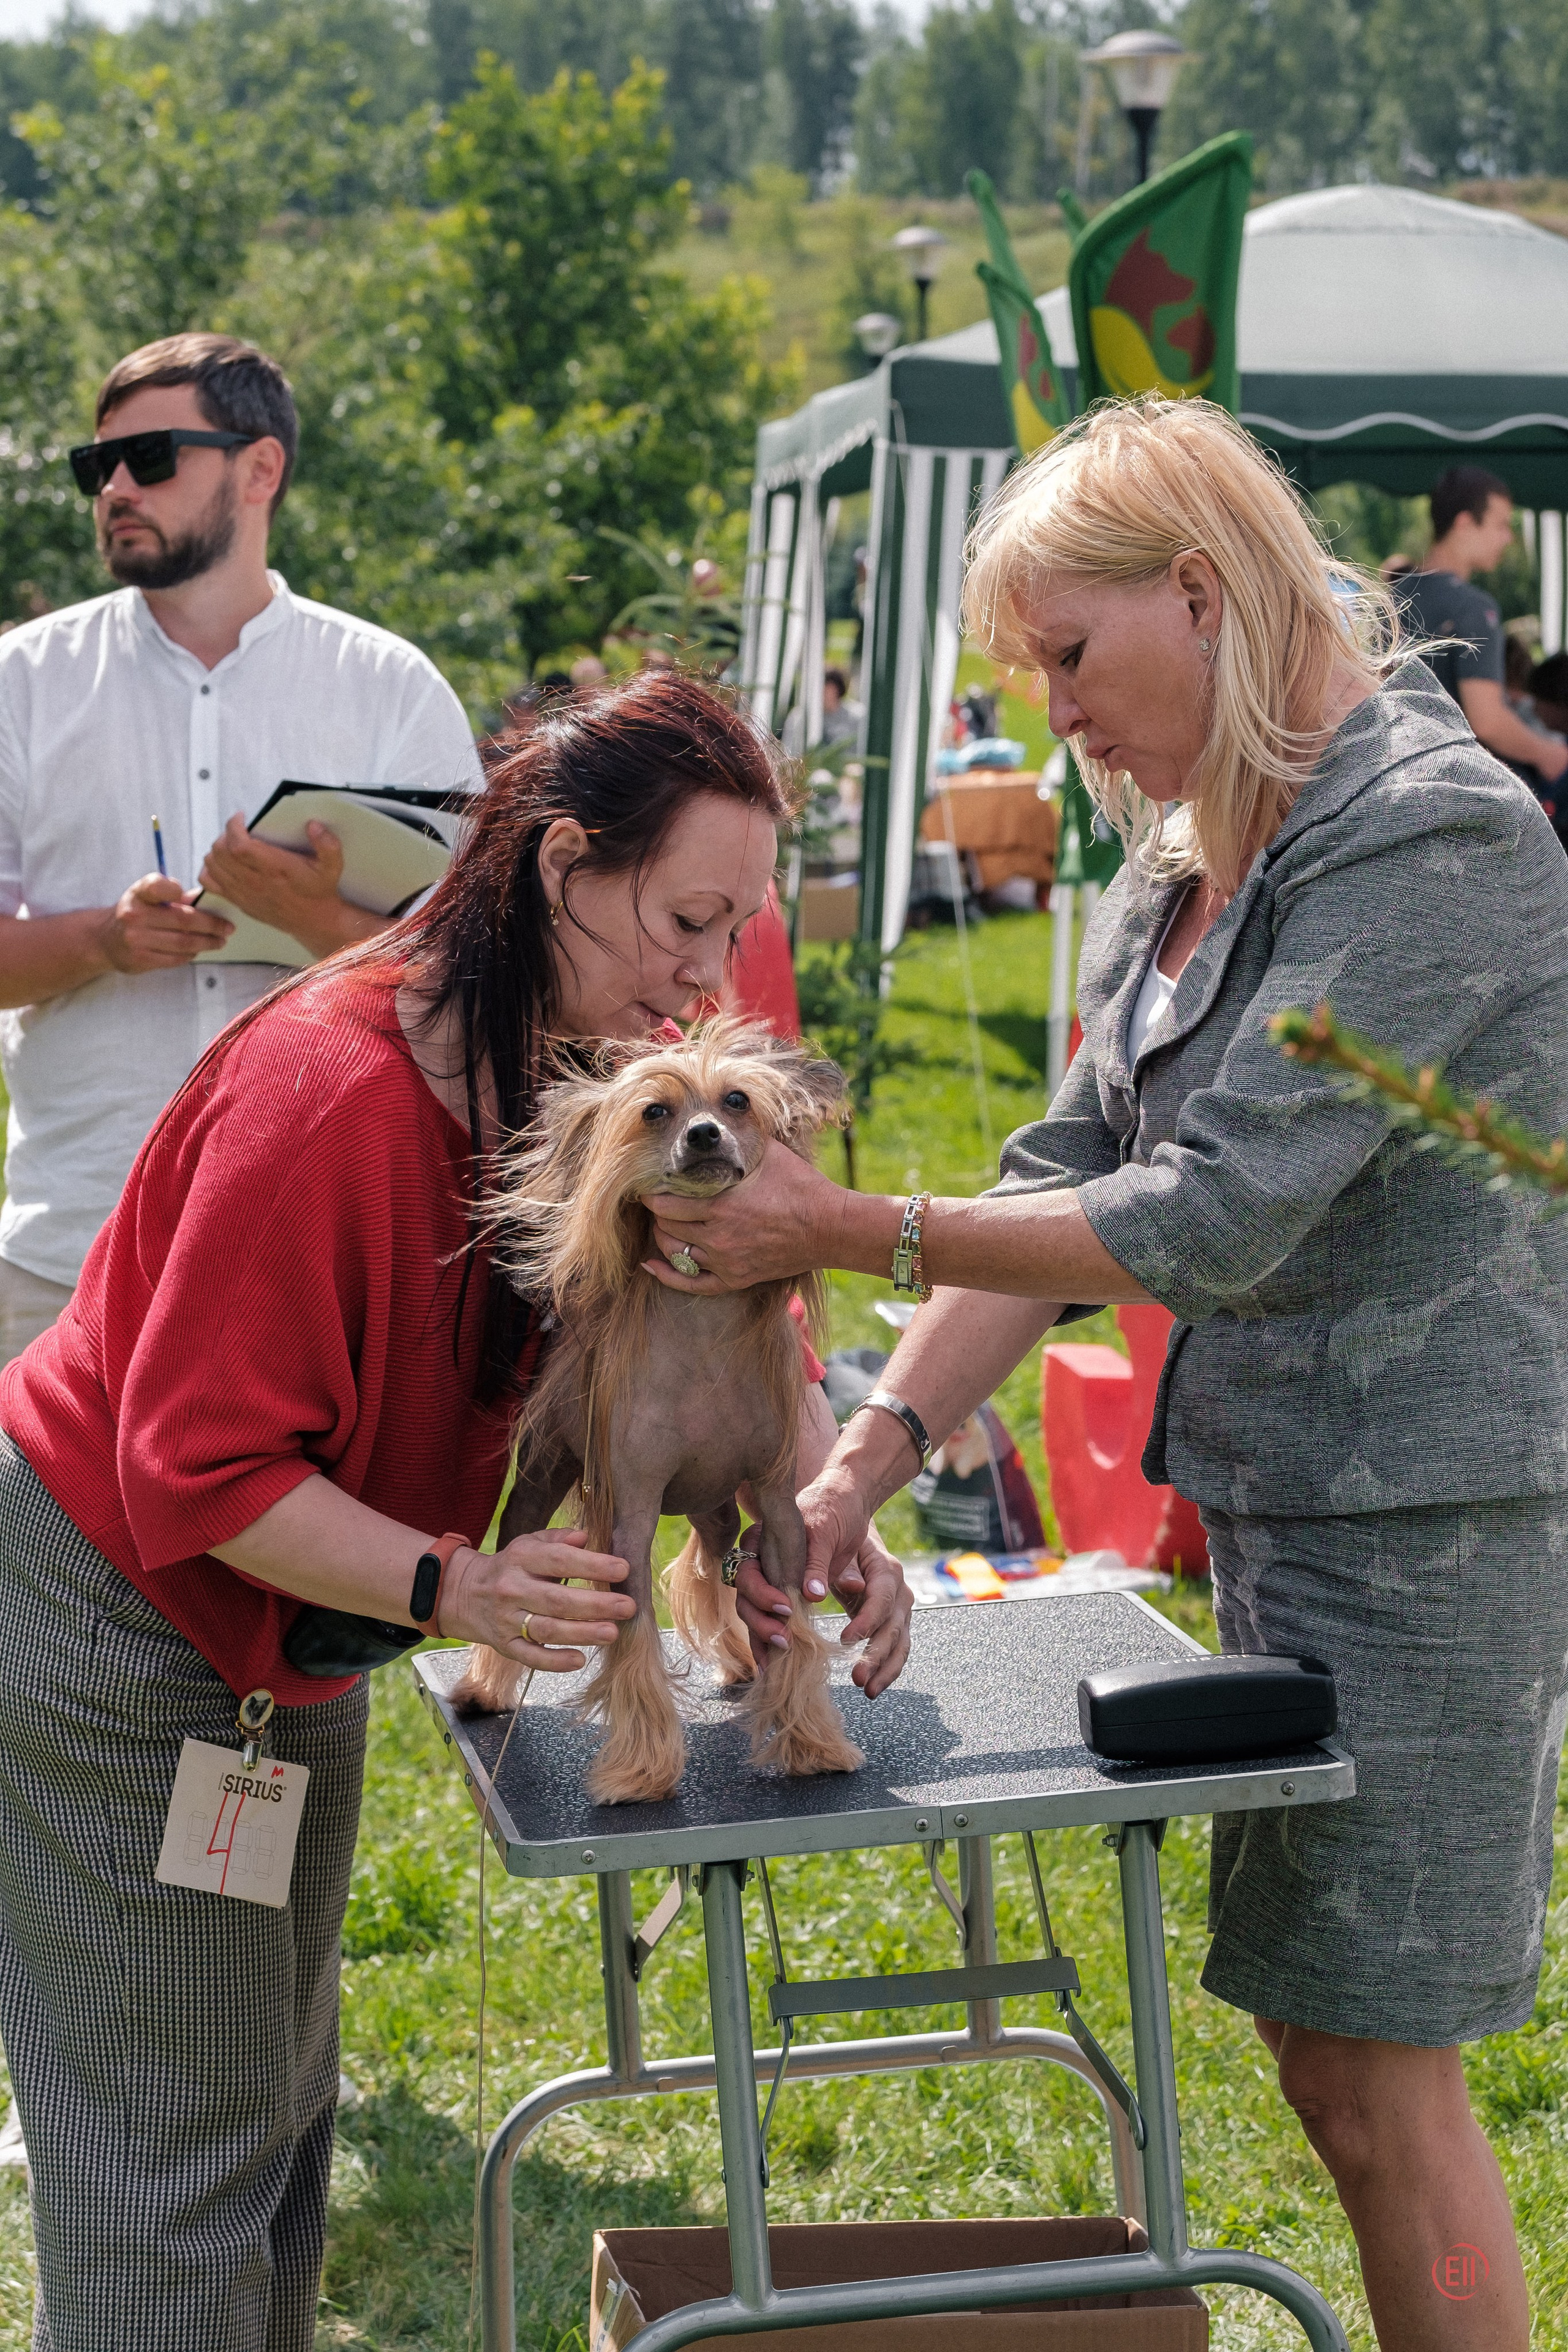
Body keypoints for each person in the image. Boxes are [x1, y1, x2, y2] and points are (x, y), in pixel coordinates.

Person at [649, 399, 1568, 2352]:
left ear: (1204, 594)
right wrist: (859, 1466)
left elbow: (1204, 1219)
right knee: (1327, 2059)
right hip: (1284, 1521)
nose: (1054, 712)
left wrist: (835, 1224)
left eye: (1069, 655)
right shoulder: (1187, 859)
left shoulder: (1435, 833)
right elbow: (1061, 1175)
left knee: (1385, 2083)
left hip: (1432, 1541)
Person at [0, 669, 909, 2352]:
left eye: (738, 930)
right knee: (169, 2181)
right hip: (123, 1620)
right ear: (564, 866)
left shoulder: (571, 1069)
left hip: (292, 1630)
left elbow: (718, 1309)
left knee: (264, 2134)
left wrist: (818, 1498)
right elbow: (195, 1471)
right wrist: (455, 1585)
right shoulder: (325, 1096)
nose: (709, 977)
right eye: (688, 920)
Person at [0, 333, 482, 1363]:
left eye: (150, 458)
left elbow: (485, 975)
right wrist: (102, 943)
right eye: (98, 466)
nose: (116, 489)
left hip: (315, 1259)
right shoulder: (21, 684)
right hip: (69, 1250)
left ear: (261, 469)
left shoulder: (390, 689)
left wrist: (320, 925)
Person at [1394, 464, 1568, 801]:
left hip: (1398, 784)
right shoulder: (1473, 608)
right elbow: (1487, 721)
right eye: (1501, 524)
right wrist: (1549, 754)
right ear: (1464, 524)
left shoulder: (1389, 598)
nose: (1508, 537)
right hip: (1459, 792)